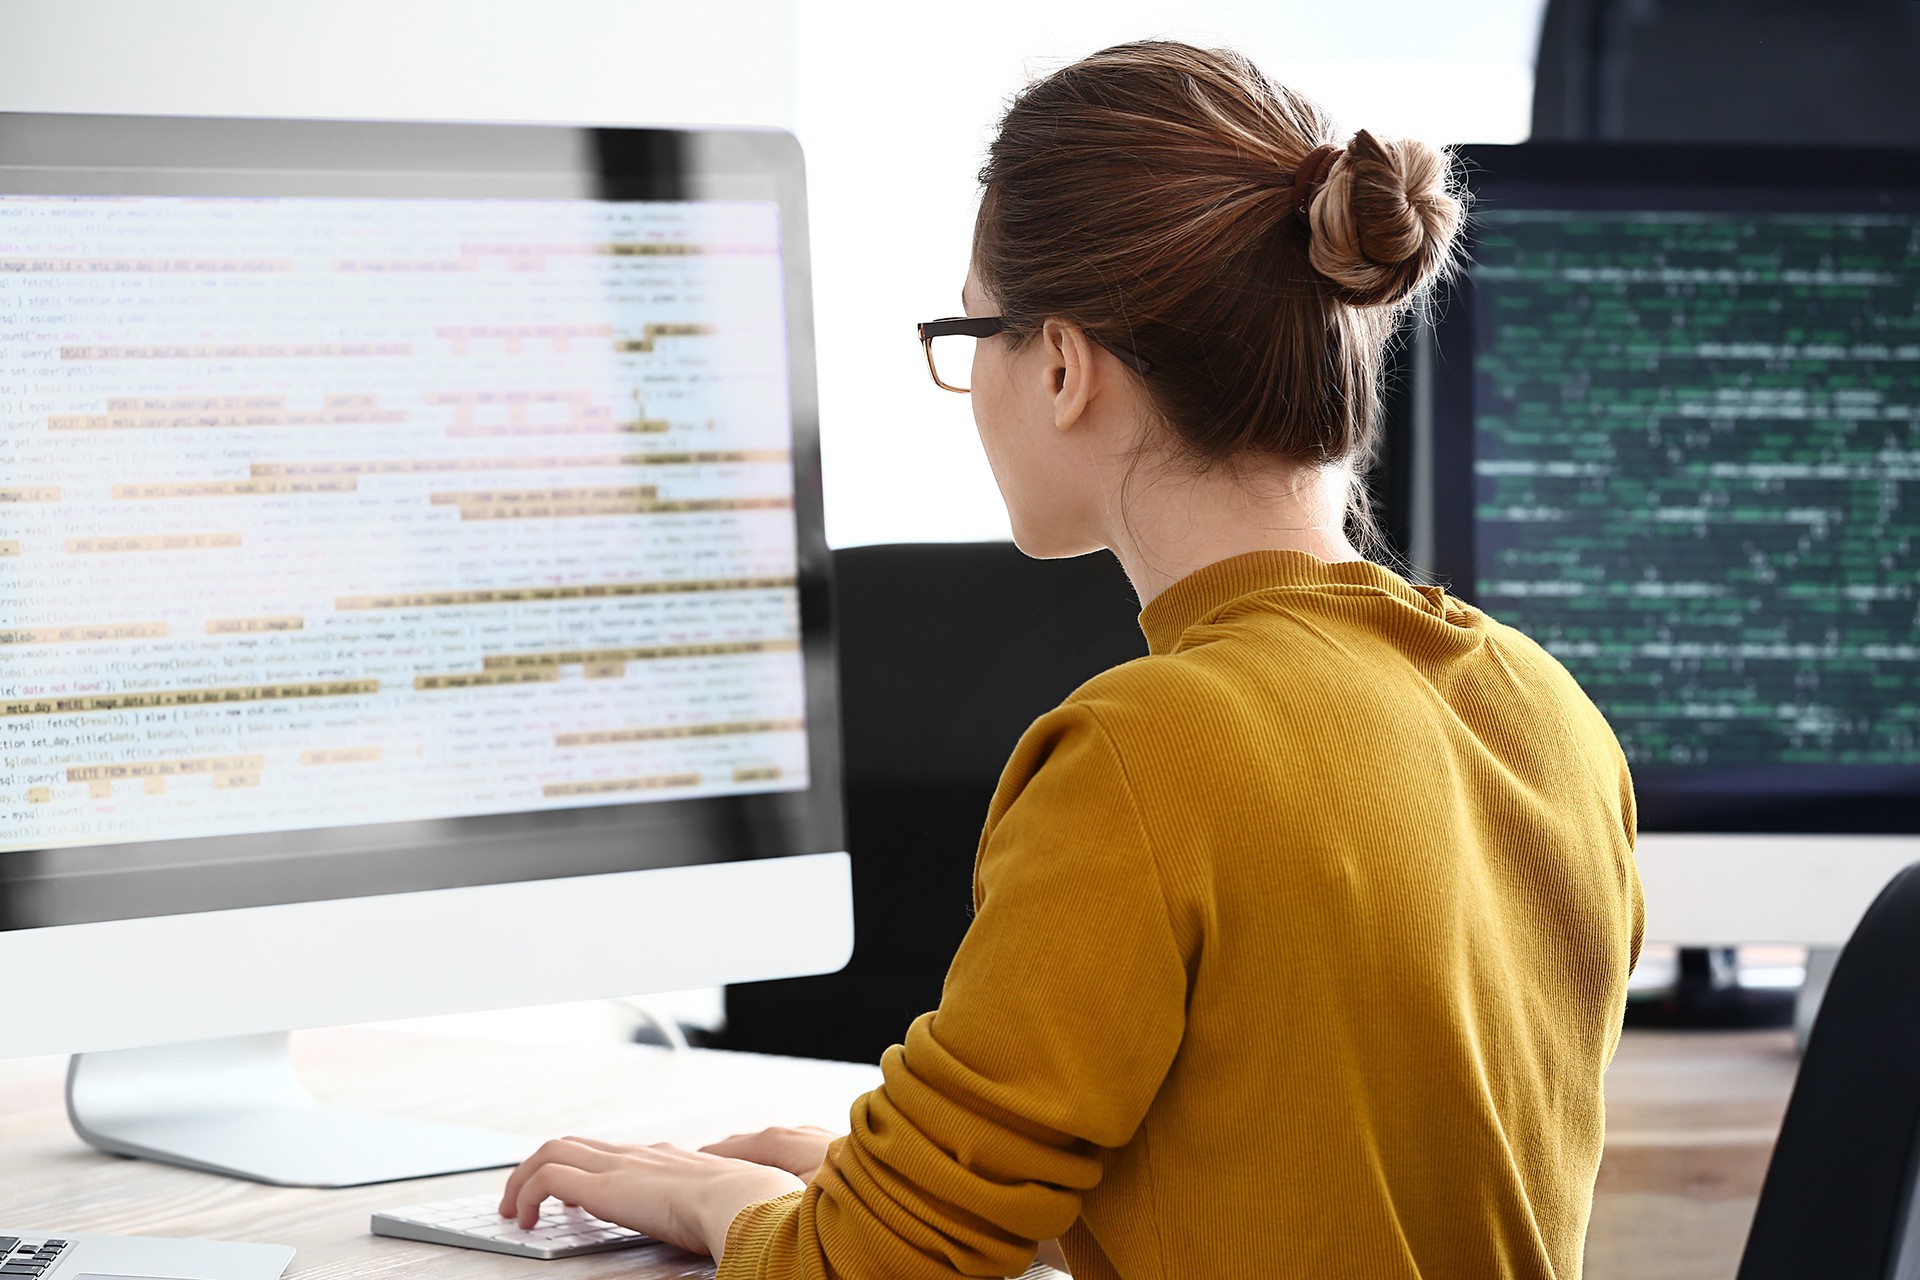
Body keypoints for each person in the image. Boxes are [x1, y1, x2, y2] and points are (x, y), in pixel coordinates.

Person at [497, 39, 1645, 1278]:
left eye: (969, 331)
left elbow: (853, 1272)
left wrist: (727, 1204)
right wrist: (915, 1184)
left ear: (1058, 362)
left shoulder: (1148, 750)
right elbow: (1319, 1170)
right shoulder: (1550, 711)